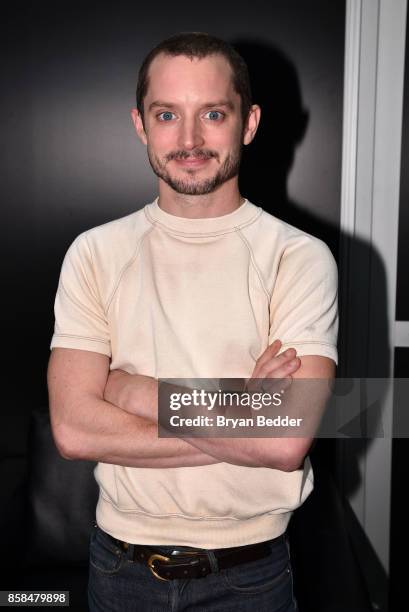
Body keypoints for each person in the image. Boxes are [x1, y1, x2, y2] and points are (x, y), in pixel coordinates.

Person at [47, 32, 338, 612]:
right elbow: (74, 431)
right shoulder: (95, 253)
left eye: (212, 113)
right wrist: (244, 414)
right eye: (166, 115)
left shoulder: (298, 257)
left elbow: (286, 442)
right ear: (140, 125)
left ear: (248, 123)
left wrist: (136, 393)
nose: (189, 140)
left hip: (250, 576)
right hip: (118, 568)